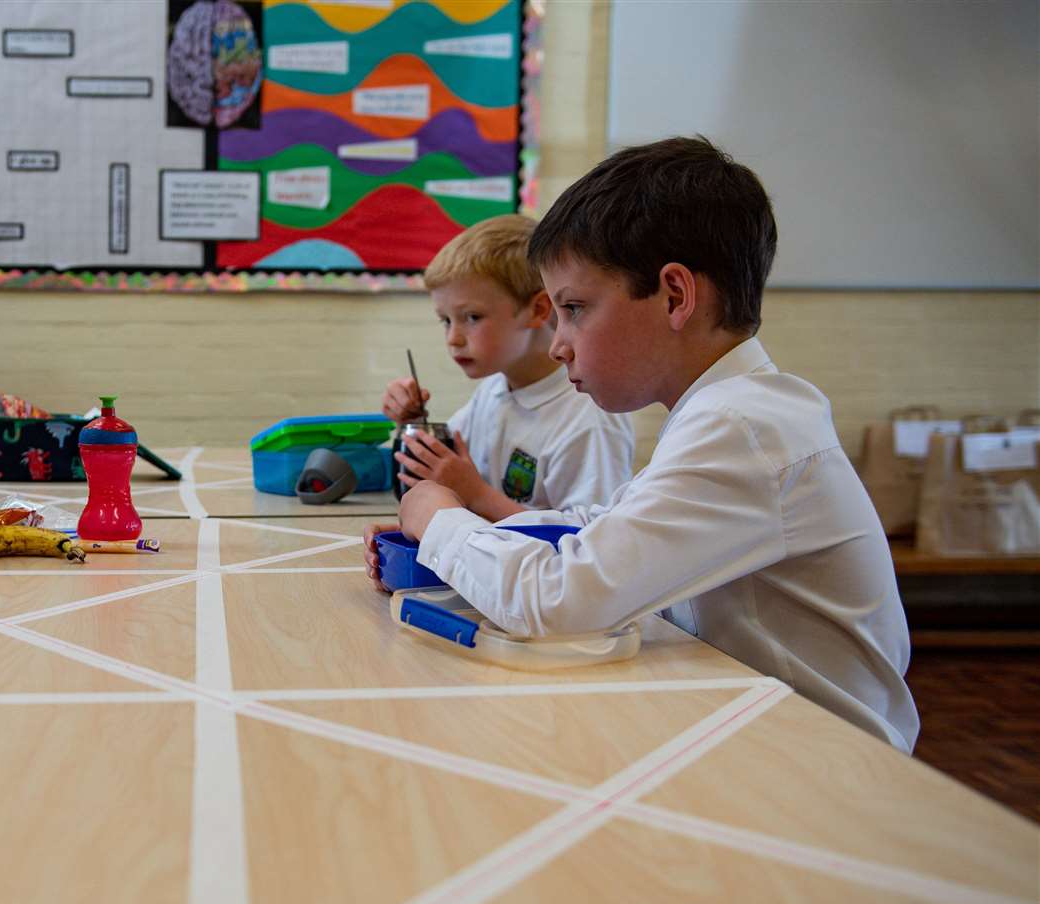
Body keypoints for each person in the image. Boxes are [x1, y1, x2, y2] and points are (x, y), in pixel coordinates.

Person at [377, 137, 918, 753]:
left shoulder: (743, 428)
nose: (559, 345)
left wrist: (440, 520)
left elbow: (560, 603)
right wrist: (461, 538)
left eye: (576, 309)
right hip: (757, 733)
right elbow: (598, 525)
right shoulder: (731, 410)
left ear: (676, 296)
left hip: (821, 767)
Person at [382, 214, 634, 518]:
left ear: (538, 310)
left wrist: (475, 494)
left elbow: (592, 539)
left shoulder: (590, 415)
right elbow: (443, 468)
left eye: (472, 317)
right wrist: (414, 422)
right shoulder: (493, 391)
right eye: (446, 320)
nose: (453, 339)